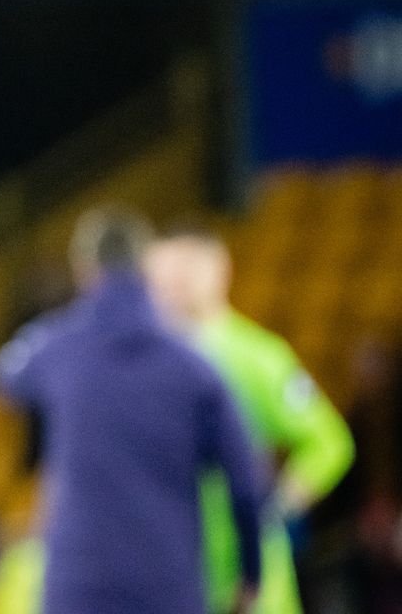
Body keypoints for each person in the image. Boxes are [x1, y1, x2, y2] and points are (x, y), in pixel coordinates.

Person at [0, 206, 263, 614]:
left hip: (78, 591)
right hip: (169, 590)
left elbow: (5, 375)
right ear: (145, 268)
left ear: (84, 269)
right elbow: (245, 483)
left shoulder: (58, 347)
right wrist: (251, 574)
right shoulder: (196, 369)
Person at [145, 225, 354, 614]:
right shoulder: (144, 365)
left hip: (251, 582)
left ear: (219, 270)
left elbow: (329, 441)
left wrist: (280, 505)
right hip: (177, 574)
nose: (173, 281)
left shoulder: (257, 357)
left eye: (185, 267)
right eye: (162, 271)